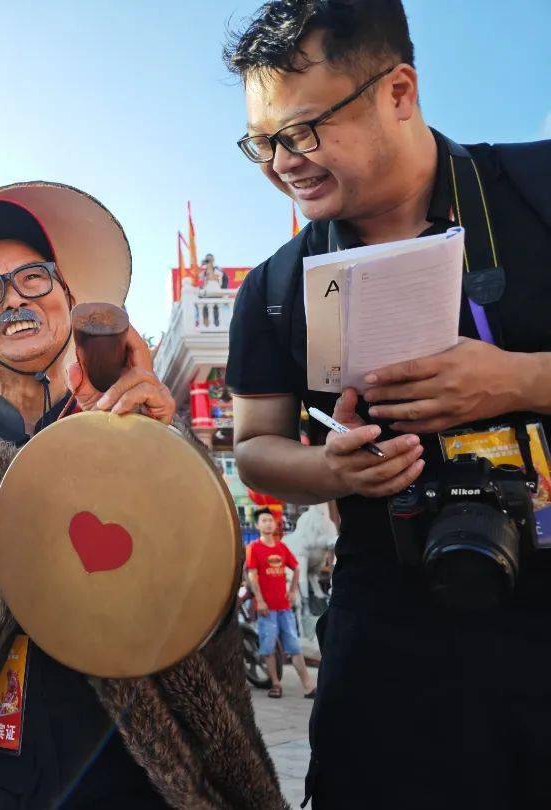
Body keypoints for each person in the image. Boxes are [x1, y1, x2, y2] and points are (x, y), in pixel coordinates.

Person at [0, 184, 284, 809]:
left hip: (133, 772)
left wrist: (162, 448)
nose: (12, 300)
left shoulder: (138, 432)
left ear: (67, 293)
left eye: (32, 278)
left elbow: (208, 597)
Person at [223, 1, 551, 806]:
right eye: (261, 143)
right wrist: (330, 469)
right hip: (390, 634)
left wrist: (521, 381)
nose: (281, 164)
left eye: (301, 132)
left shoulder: (538, 190)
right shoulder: (272, 287)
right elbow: (258, 443)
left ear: (399, 90)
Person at [244, 508, 316, 699]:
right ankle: (275, 684)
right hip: (266, 609)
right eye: (264, 520)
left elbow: (296, 567)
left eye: (270, 520)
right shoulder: (253, 548)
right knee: (268, 648)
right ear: (258, 525)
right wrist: (259, 600)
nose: (268, 523)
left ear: (275, 524)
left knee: (294, 646)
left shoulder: (282, 548)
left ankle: (308, 685)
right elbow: (252, 575)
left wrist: (292, 590)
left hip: (284, 607)